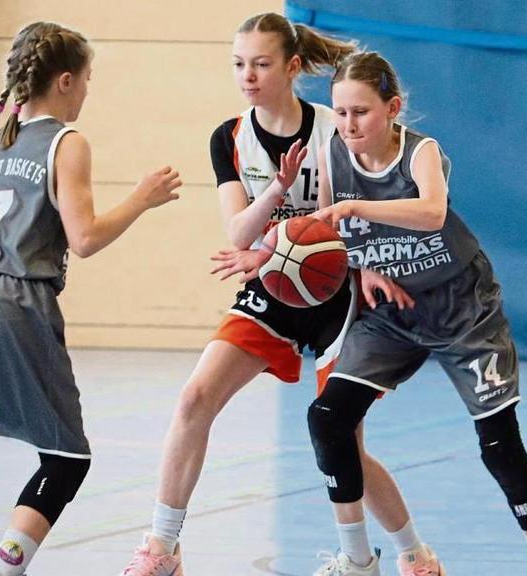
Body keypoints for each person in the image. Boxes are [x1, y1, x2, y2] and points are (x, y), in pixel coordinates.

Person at [118, 14, 428, 576]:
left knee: (343, 440)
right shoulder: (230, 137)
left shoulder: (334, 128)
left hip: (337, 291)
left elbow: (344, 223)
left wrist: (287, 245)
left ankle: (408, 553)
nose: (248, 75)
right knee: (194, 399)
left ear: (291, 67)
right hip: (273, 283)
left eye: (261, 64)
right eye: (239, 64)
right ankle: (161, 547)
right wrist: (278, 195)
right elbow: (239, 234)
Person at [308, 51, 527, 576]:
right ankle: (359, 561)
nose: (349, 124)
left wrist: (357, 207)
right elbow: (328, 232)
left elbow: (432, 212)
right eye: (341, 113)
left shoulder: (419, 151)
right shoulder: (333, 153)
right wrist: (362, 266)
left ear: (392, 109)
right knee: (328, 418)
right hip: (394, 311)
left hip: (463, 310)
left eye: (361, 112)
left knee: (499, 445)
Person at [0, 21, 182, 576]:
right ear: (64, 81)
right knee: (65, 458)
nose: (86, 90)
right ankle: (0, 570)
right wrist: (141, 198)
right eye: (86, 79)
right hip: (17, 305)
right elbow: (84, 239)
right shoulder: (66, 141)